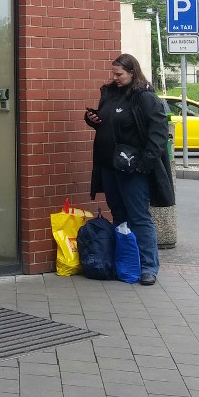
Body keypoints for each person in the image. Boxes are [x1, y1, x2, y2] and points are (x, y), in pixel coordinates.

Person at [85, 53, 174, 286]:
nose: (115, 78)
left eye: (119, 74)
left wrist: (145, 164)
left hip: (133, 168)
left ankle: (148, 267)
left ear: (132, 72)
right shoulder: (110, 93)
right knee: (119, 215)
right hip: (110, 165)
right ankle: (126, 263)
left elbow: (158, 131)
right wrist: (93, 120)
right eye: (113, 73)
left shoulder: (144, 96)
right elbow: (110, 123)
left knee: (139, 217)